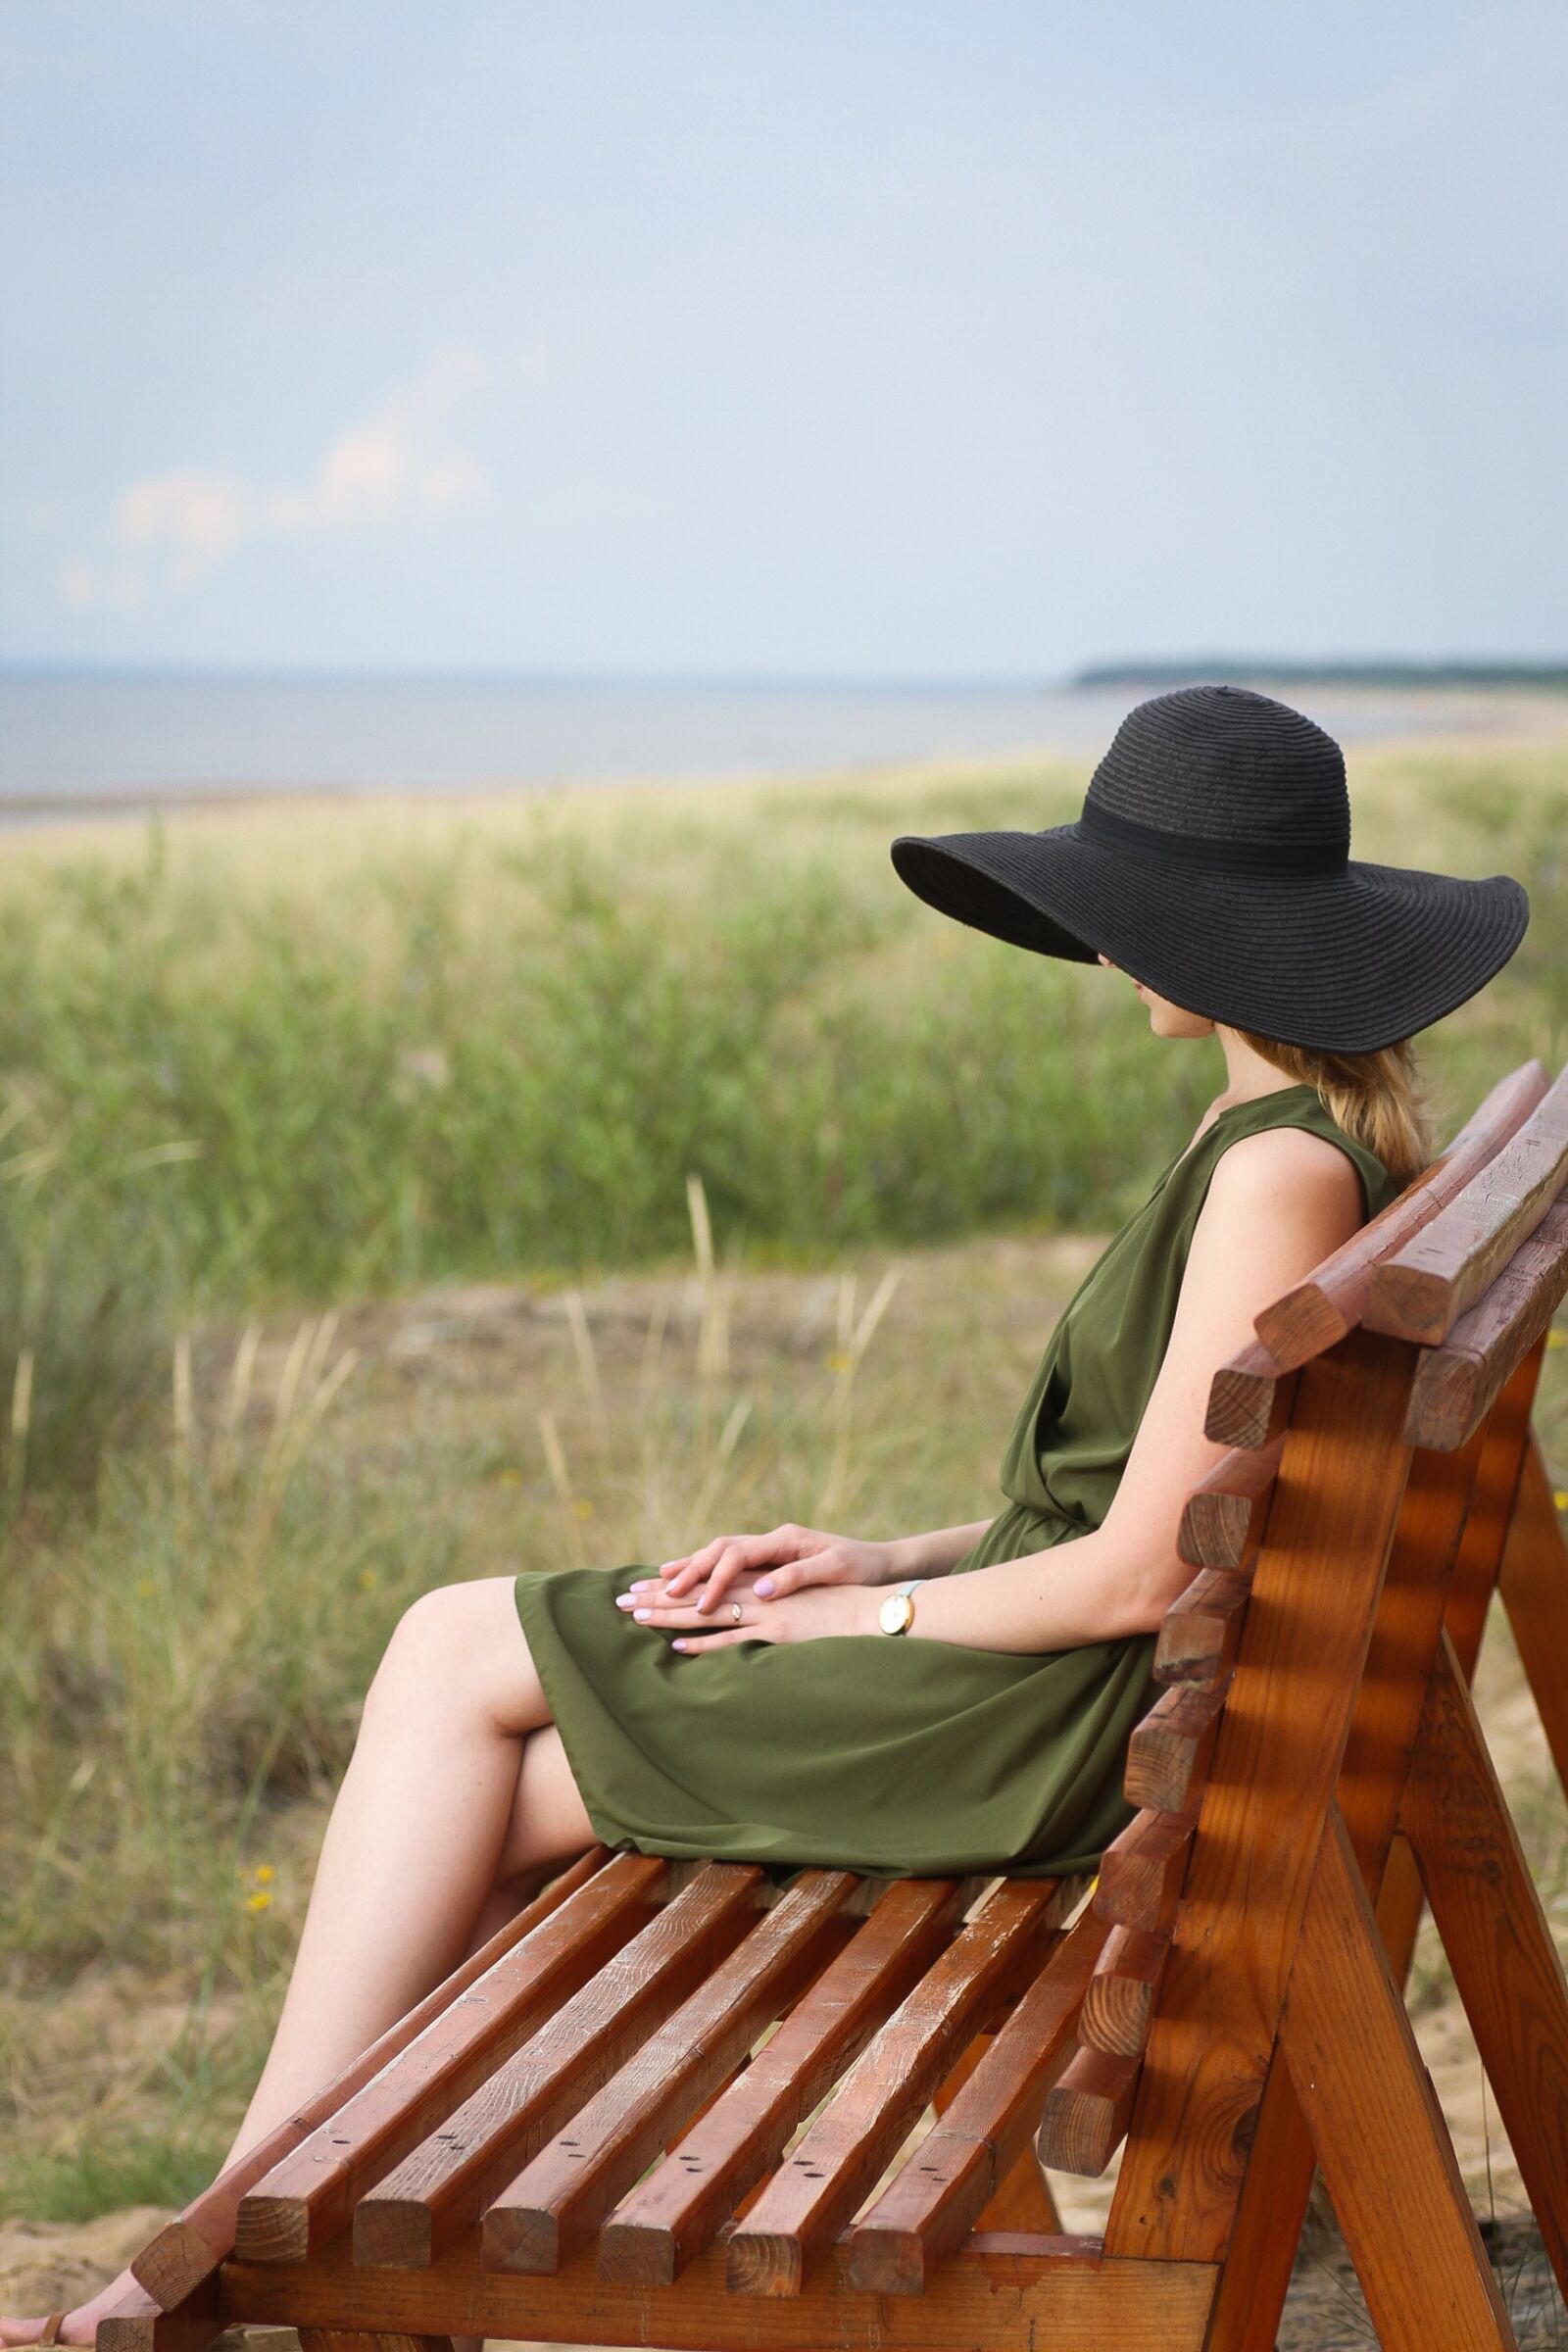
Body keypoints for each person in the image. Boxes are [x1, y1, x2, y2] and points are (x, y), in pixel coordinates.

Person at [5, 685, 1529, 2350]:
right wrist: (882, 1554)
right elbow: (1137, 1509)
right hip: (1092, 1698)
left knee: (450, 1653)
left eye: (1127, 908)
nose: (1105, 943)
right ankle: (270, 2225)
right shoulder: (1276, 1137)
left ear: (1203, 934)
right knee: (492, 1764)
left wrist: (851, 1621)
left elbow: (1139, 1569)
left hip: (1050, 1731)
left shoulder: (1275, 1171)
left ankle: (228, 2232)